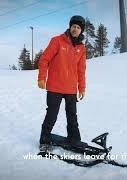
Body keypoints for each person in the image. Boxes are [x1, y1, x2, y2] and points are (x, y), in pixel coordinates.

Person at [37, 15, 87, 148]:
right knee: (52, 115)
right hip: (55, 87)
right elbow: (44, 59)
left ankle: (74, 139)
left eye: (78, 27)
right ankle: (44, 140)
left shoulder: (81, 48)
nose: (75, 29)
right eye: (74, 26)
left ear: (81, 31)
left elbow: (81, 70)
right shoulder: (57, 41)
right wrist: (42, 77)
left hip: (71, 89)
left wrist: (81, 88)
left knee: (72, 116)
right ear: (70, 27)